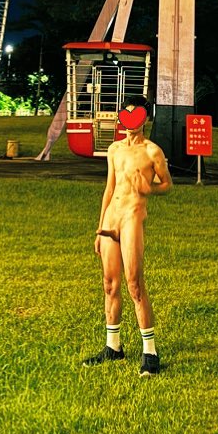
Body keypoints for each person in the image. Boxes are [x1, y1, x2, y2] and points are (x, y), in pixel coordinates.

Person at [83, 95, 173, 376]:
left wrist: (150, 190)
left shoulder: (152, 152)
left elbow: (167, 184)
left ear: (145, 119)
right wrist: (99, 229)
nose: (130, 121)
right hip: (111, 218)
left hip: (133, 218)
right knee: (110, 285)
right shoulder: (114, 150)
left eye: (136, 116)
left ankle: (150, 352)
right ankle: (114, 347)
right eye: (126, 114)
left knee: (134, 284)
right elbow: (109, 189)